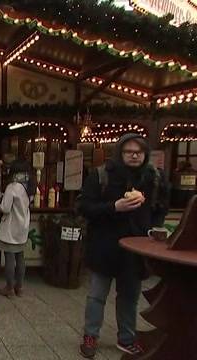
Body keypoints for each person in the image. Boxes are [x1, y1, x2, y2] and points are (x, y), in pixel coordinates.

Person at [77, 133, 168, 358]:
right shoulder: (101, 175)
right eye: (129, 151)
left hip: (135, 250)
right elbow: (84, 207)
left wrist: (153, 229)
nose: (134, 155)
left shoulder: (153, 178)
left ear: (145, 154)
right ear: (120, 153)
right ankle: (90, 336)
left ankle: (126, 338)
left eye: (138, 151)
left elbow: (160, 208)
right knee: (96, 295)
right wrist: (114, 206)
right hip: (103, 246)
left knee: (129, 297)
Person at [0, 160, 35, 297]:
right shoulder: (29, 187)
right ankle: (19, 287)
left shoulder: (12, 187)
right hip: (23, 227)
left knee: (9, 258)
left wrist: (0, 204)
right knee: (20, 257)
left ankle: (9, 288)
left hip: (10, 227)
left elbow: (5, 208)